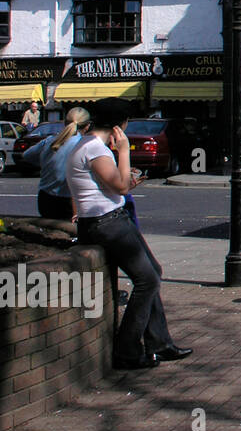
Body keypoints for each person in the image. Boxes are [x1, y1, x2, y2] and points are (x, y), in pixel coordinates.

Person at [65, 97, 192, 371]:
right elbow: (121, 187)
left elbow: (113, 186)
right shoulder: (96, 150)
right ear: (119, 125)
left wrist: (125, 175)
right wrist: (124, 151)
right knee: (147, 280)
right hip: (106, 223)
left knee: (153, 273)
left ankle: (160, 342)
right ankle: (128, 350)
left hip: (107, 219)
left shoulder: (86, 146)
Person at [22, 106, 90, 220]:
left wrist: (46, 163)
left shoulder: (49, 140)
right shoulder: (84, 146)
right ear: (87, 126)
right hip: (71, 200)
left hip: (46, 198)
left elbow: (27, 155)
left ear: (64, 122)